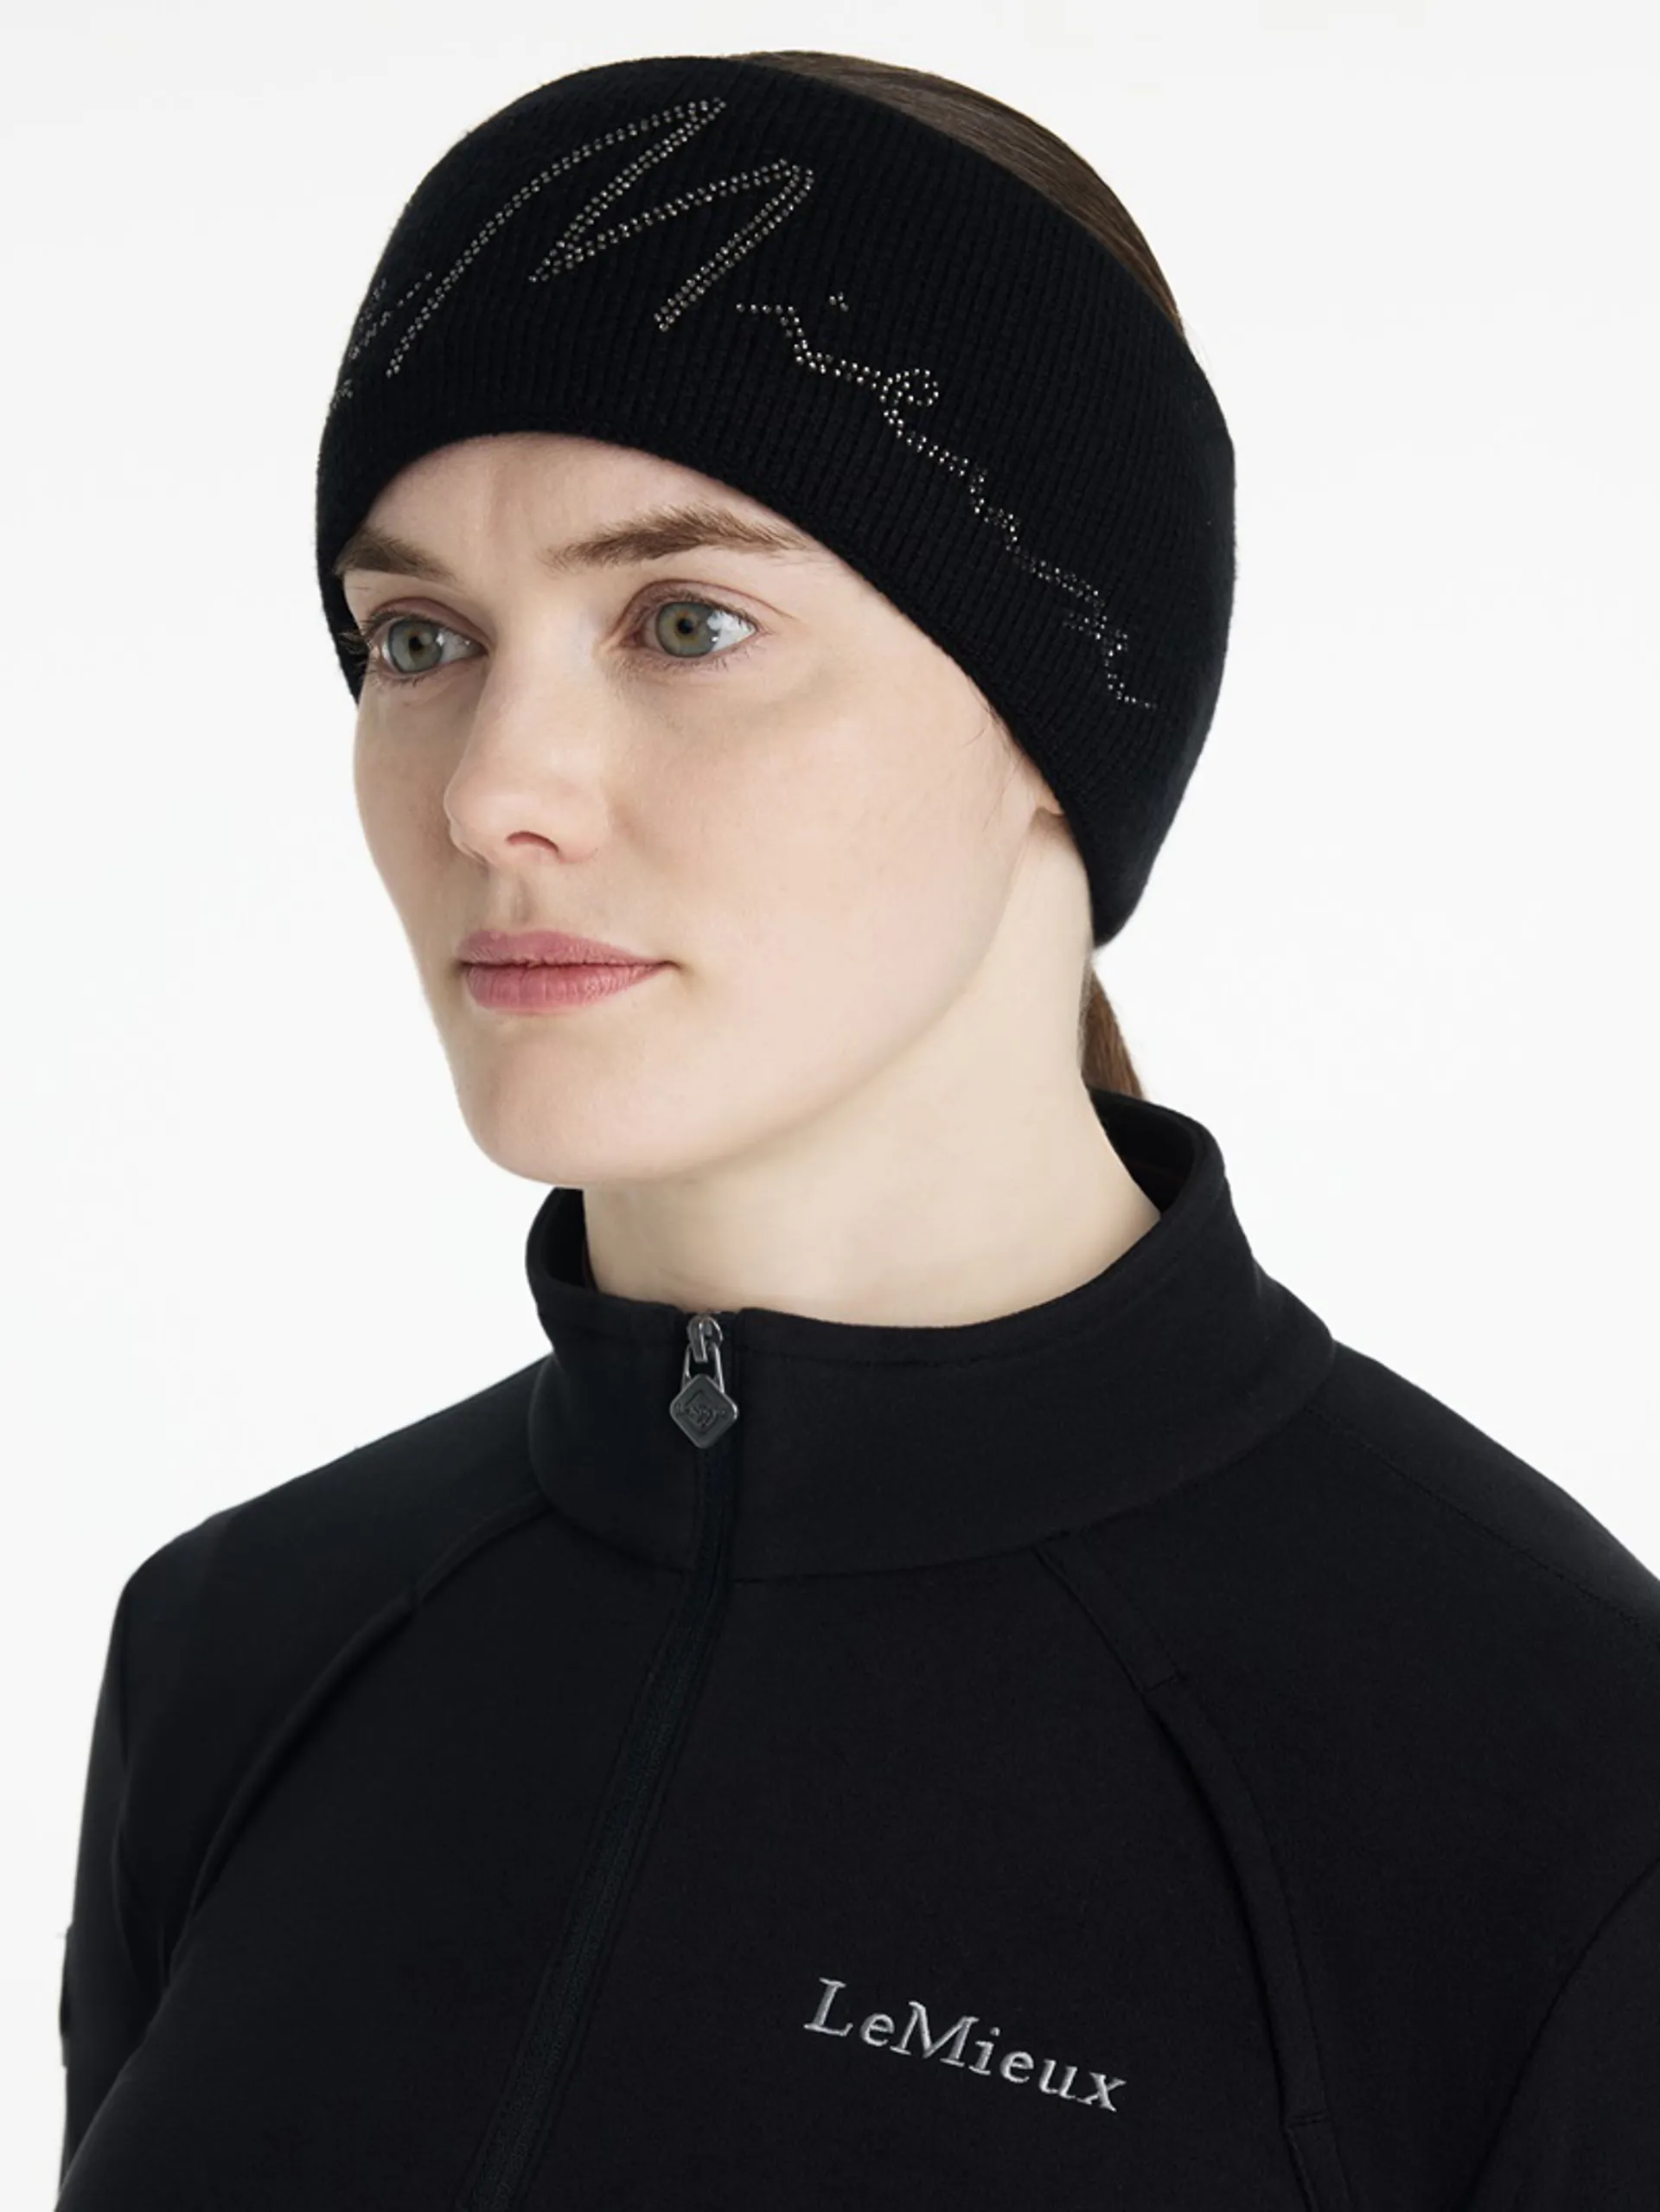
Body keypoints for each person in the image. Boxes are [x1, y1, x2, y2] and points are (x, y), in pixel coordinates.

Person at [54, 48, 1660, 2212]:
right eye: (418, 636)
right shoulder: (242, 1649)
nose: (492, 788)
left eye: (688, 621)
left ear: (1064, 718)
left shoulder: (1554, 1791)